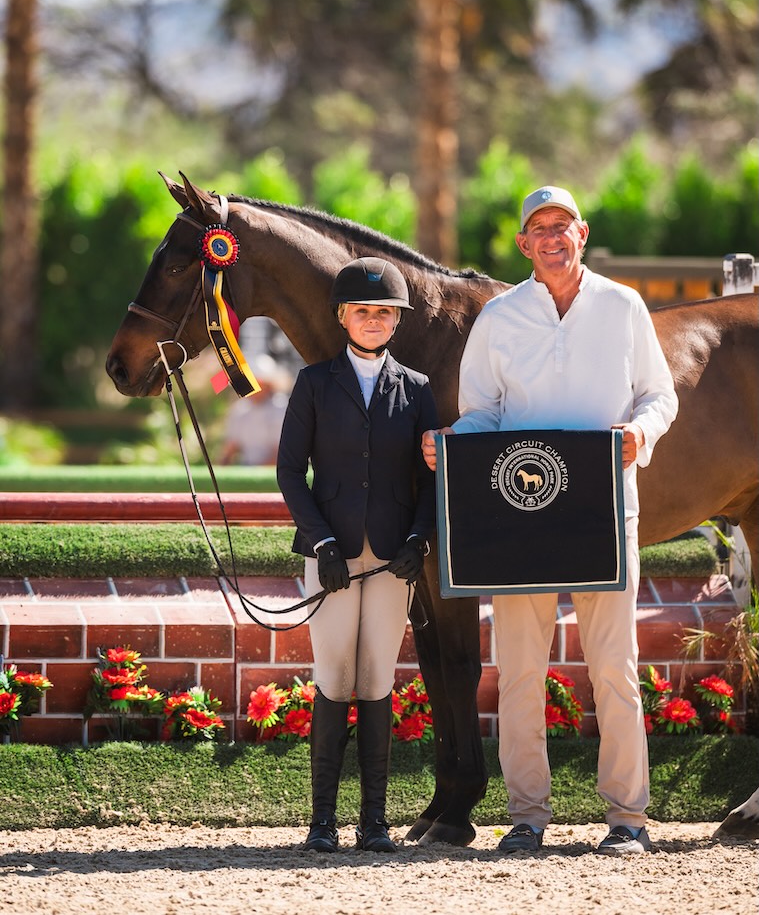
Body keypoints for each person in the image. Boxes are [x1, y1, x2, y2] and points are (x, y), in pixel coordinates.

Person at [422, 185, 678, 856]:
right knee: (519, 670)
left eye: (561, 224)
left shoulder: (622, 306)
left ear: (581, 232)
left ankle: (626, 819)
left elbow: (659, 394)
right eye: (538, 228)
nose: (551, 237)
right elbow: (483, 415)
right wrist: (449, 442)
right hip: (519, 520)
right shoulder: (500, 318)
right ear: (521, 244)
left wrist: (640, 433)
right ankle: (526, 817)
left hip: (603, 511)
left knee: (613, 668)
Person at [277, 256, 438, 854]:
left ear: (396, 321)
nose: (373, 321)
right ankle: (322, 821)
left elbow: (432, 480)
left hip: (394, 555)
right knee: (334, 676)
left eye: (383, 313)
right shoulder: (314, 383)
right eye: (362, 311)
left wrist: (419, 540)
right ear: (343, 316)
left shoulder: (417, 389)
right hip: (333, 553)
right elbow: (290, 471)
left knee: (376, 678)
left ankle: (374, 821)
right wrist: (320, 542)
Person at [220, 355, 292, 465]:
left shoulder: (281, 408)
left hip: (277, 475)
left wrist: (254, 476)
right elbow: (231, 447)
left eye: (257, 382)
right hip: (247, 470)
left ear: (268, 384)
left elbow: (282, 454)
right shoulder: (240, 409)